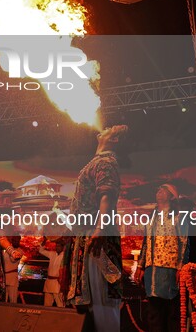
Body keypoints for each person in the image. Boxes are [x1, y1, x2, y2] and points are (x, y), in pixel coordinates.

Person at [67, 125, 128, 332]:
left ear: (116, 140)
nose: (106, 127)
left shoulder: (106, 162)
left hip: (98, 240)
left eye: (111, 128)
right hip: (89, 236)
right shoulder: (97, 162)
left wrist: (100, 229)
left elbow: (106, 196)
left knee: (103, 298)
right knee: (92, 300)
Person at [135, 183, 189, 332]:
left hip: (170, 269)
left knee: (171, 309)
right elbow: (146, 242)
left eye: (163, 190)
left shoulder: (179, 217)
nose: (159, 191)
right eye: (158, 189)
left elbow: (184, 242)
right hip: (152, 269)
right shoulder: (152, 217)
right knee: (154, 310)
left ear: (171, 196)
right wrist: (140, 266)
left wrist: (181, 267)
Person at [39, 237, 65, 307]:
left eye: (59, 246)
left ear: (63, 247)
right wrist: (44, 241)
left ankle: (62, 317)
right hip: (49, 282)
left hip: (58, 283)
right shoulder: (52, 254)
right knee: (47, 305)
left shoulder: (65, 256)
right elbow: (41, 251)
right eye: (56, 246)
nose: (57, 247)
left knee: (60, 305)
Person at [3, 235, 22, 304]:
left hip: (12, 279)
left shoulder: (19, 251)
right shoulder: (7, 251)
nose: (16, 242)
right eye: (14, 240)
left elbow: (13, 260)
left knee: (13, 300)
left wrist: (11, 251)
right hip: (4, 279)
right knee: (3, 300)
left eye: (17, 240)